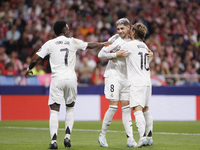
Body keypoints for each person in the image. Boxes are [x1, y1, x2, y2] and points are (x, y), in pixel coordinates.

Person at [25, 20, 111, 149]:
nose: (69, 29)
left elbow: (36, 59)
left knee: (54, 110)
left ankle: (54, 141)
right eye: (67, 28)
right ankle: (67, 138)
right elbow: (90, 45)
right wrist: (103, 44)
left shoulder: (50, 43)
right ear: (64, 31)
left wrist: (29, 69)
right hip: (71, 79)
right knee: (70, 108)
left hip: (57, 79)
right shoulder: (73, 41)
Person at [97, 18, 153, 148]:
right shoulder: (115, 40)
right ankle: (102, 135)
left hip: (127, 78)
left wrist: (151, 55)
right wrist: (115, 54)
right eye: (118, 29)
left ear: (130, 28)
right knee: (113, 106)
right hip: (113, 75)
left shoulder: (134, 42)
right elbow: (101, 53)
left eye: (122, 28)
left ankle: (130, 139)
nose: (120, 31)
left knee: (127, 108)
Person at [121, 23, 153, 148]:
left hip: (136, 82)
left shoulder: (129, 45)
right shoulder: (144, 46)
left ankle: (142, 137)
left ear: (133, 32)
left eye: (131, 30)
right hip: (146, 81)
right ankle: (149, 138)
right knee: (146, 109)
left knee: (137, 110)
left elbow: (117, 52)